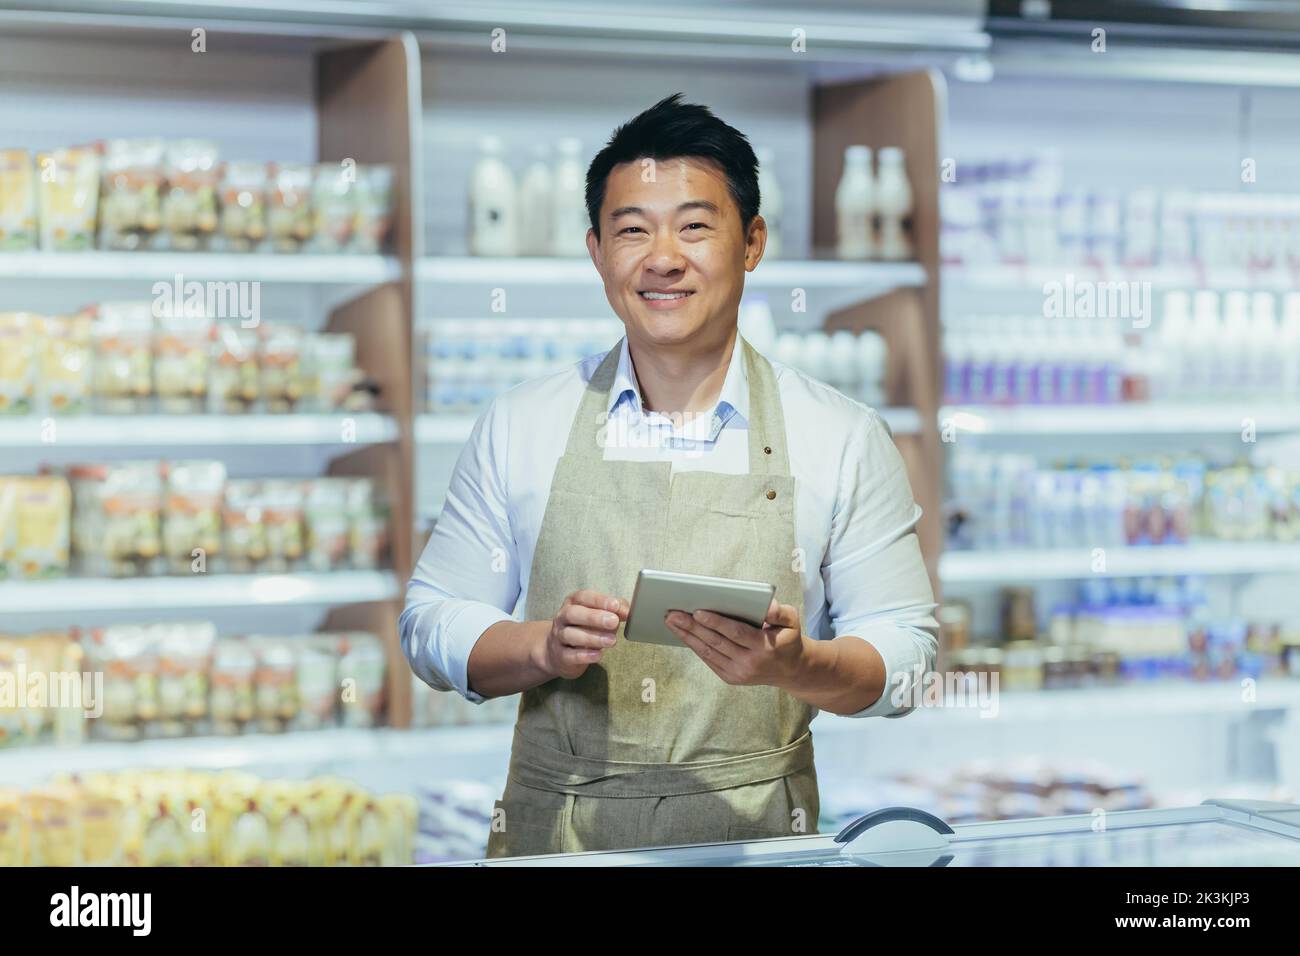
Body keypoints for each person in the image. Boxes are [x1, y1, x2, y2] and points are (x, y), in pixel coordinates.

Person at [401, 93, 937, 858]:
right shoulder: (522, 422)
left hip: (757, 842)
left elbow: (909, 661)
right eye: (631, 230)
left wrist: (799, 664)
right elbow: (428, 621)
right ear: (596, 252)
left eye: (695, 226)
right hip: (558, 839)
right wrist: (540, 649)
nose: (662, 257)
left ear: (752, 241)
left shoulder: (841, 436)